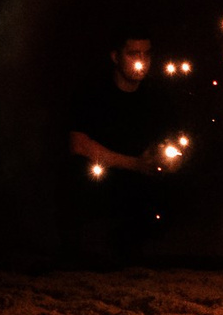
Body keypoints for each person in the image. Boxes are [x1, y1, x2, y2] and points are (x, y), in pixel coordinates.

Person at [63, 30, 184, 264]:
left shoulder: (158, 96)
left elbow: (175, 143)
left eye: (146, 54)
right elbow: (78, 146)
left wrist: (169, 160)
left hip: (141, 181)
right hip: (104, 180)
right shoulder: (93, 92)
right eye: (133, 54)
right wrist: (134, 164)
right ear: (115, 57)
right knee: (82, 175)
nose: (141, 61)